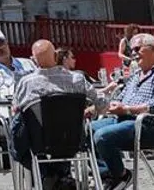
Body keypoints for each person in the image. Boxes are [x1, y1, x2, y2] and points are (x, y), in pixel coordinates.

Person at [87, 34, 154, 190]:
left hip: (151, 127)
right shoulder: (135, 76)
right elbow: (118, 100)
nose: (133, 54)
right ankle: (109, 175)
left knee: (102, 136)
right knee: (86, 129)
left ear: (153, 49)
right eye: (131, 50)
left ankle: (120, 176)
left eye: (137, 49)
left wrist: (128, 109)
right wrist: (92, 110)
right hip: (124, 121)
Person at [11, 41, 96, 187]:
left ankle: (48, 174)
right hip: (74, 140)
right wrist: (90, 112)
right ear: (56, 55)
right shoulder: (78, 79)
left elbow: (16, 108)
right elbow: (102, 102)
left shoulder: (26, 83)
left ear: (33, 60)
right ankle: (60, 175)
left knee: (19, 125)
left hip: (40, 142)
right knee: (62, 136)